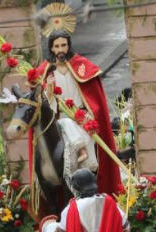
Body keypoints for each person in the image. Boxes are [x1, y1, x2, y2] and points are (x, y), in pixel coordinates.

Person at [36, 29, 122, 196]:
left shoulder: (81, 66)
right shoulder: (47, 73)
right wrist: (49, 92)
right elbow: (45, 106)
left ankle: (89, 171)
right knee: (66, 124)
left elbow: (93, 99)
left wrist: (90, 112)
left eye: (63, 45)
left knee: (87, 133)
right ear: (51, 48)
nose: (60, 50)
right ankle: (78, 155)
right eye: (57, 46)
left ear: (69, 46)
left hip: (80, 116)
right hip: (59, 119)